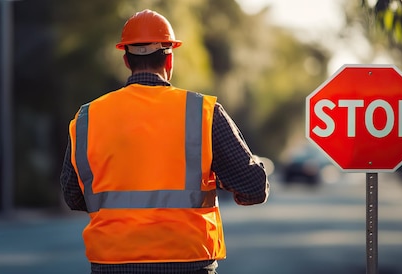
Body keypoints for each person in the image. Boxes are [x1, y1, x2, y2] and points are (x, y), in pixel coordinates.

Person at [59, 9, 269, 274]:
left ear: (126, 59)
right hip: (188, 262)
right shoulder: (202, 112)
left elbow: (73, 196)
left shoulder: (87, 117)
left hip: (113, 264)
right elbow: (253, 187)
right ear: (169, 60)